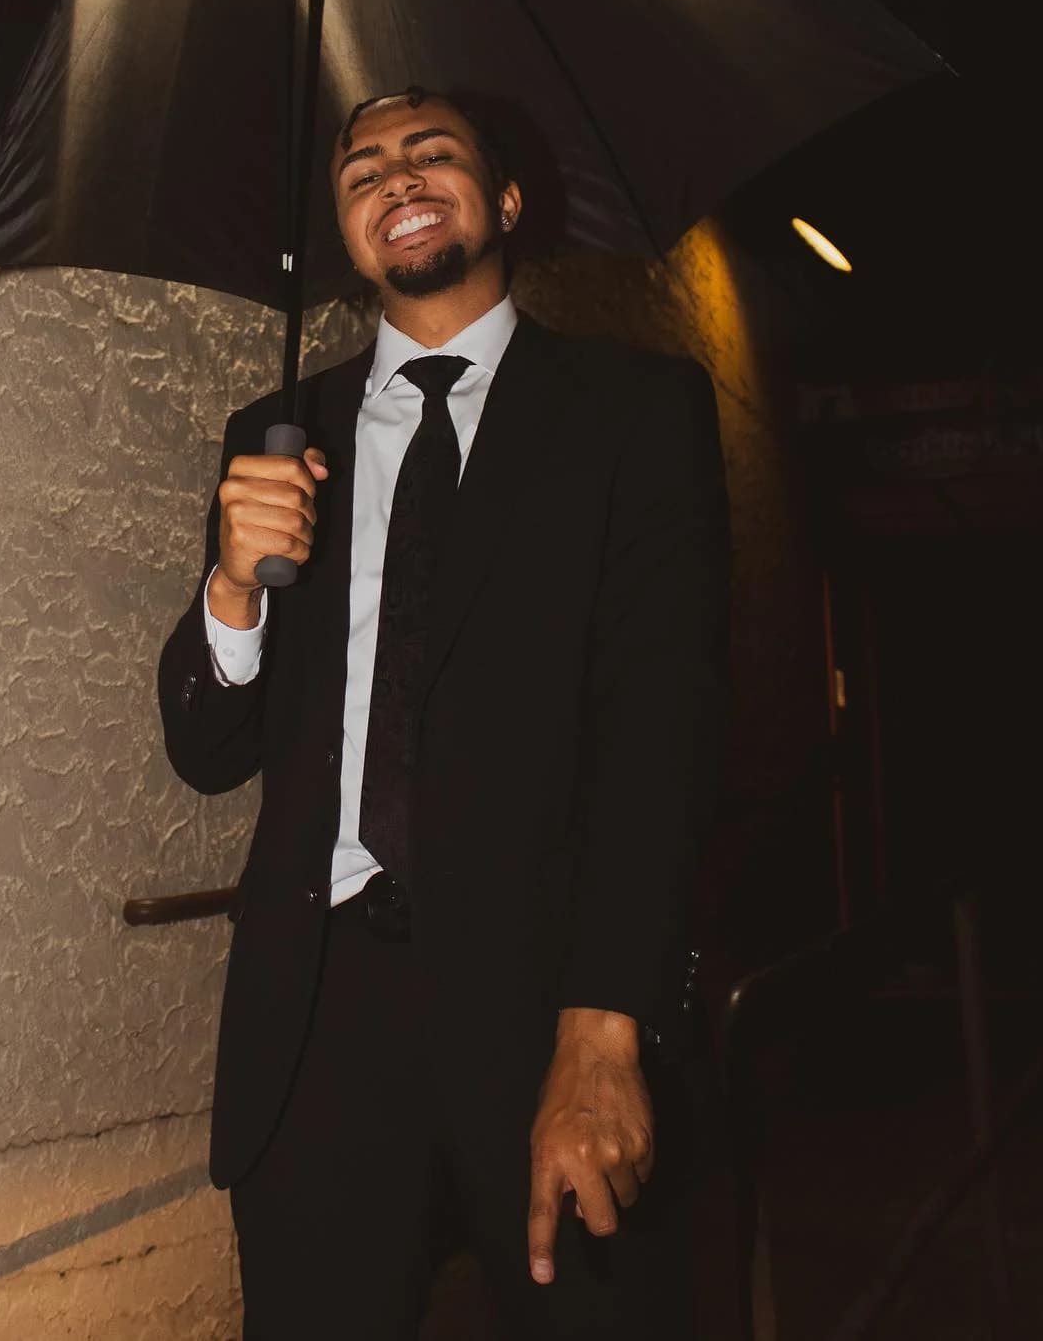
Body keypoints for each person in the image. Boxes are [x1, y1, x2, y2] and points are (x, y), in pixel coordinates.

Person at [158, 87, 730, 1338]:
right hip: (315, 1025)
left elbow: (660, 743)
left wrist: (605, 1028)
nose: (394, 177)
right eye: (362, 167)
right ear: (345, 227)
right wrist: (229, 588)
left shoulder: (633, 413)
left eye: (432, 152)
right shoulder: (274, 432)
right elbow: (206, 750)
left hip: (547, 1005)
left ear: (508, 196)